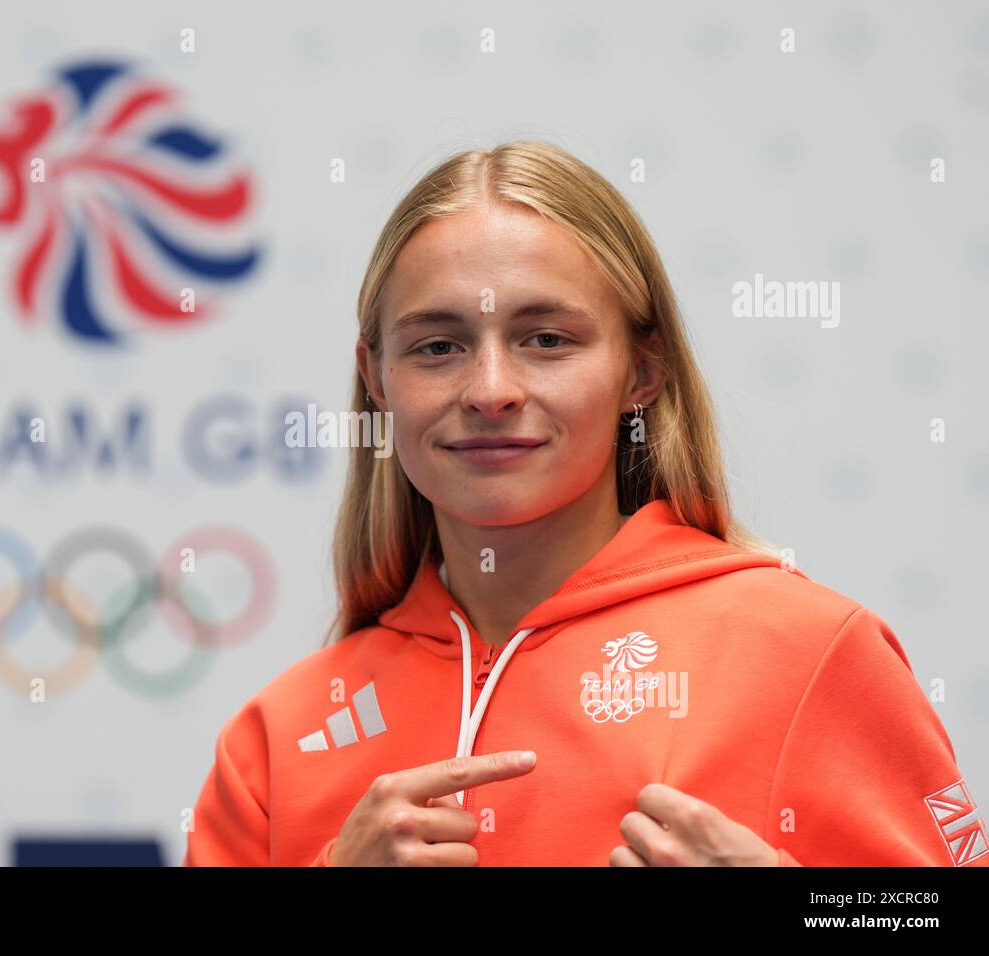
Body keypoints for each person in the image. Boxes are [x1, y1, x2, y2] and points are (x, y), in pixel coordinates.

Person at [182, 140, 987, 867]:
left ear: (643, 369)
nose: (491, 391)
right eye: (438, 347)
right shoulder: (278, 736)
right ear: (376, 377)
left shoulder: (809, 653)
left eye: (546, 340)